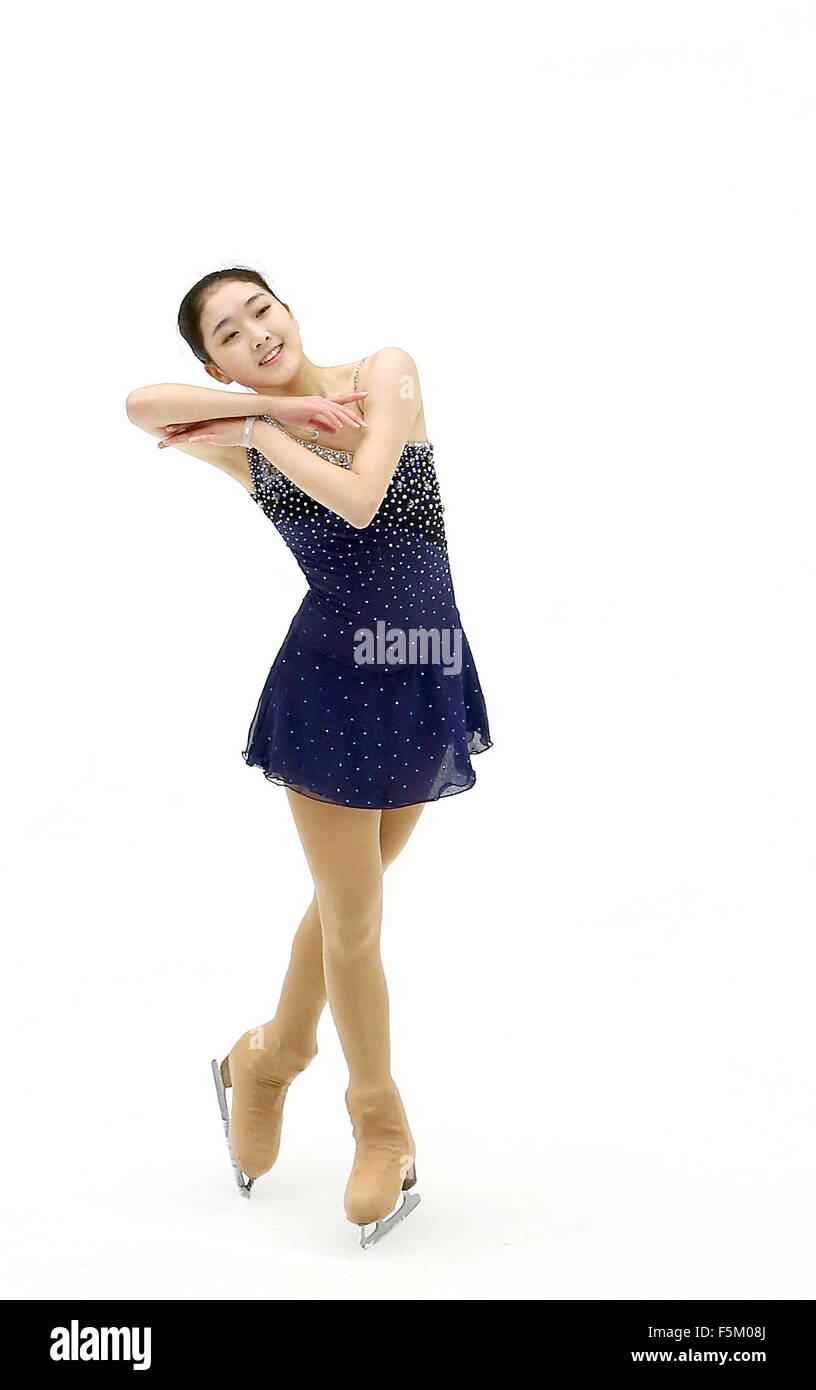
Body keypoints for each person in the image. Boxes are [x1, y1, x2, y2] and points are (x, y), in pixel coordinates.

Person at [125, 266, 493, 1246]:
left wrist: (264, 428)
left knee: (349, 897)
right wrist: (257, 424)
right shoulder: (253, 437)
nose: (256, 330)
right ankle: (380, 1123)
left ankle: (267, 1059)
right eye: (229, 333)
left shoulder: (385, 373)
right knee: (357, 919)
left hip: (418, 664)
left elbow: (371, 496)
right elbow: (139, 404)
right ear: (217, 362)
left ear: (288, 309)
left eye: (261, 307)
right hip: (331, 687)